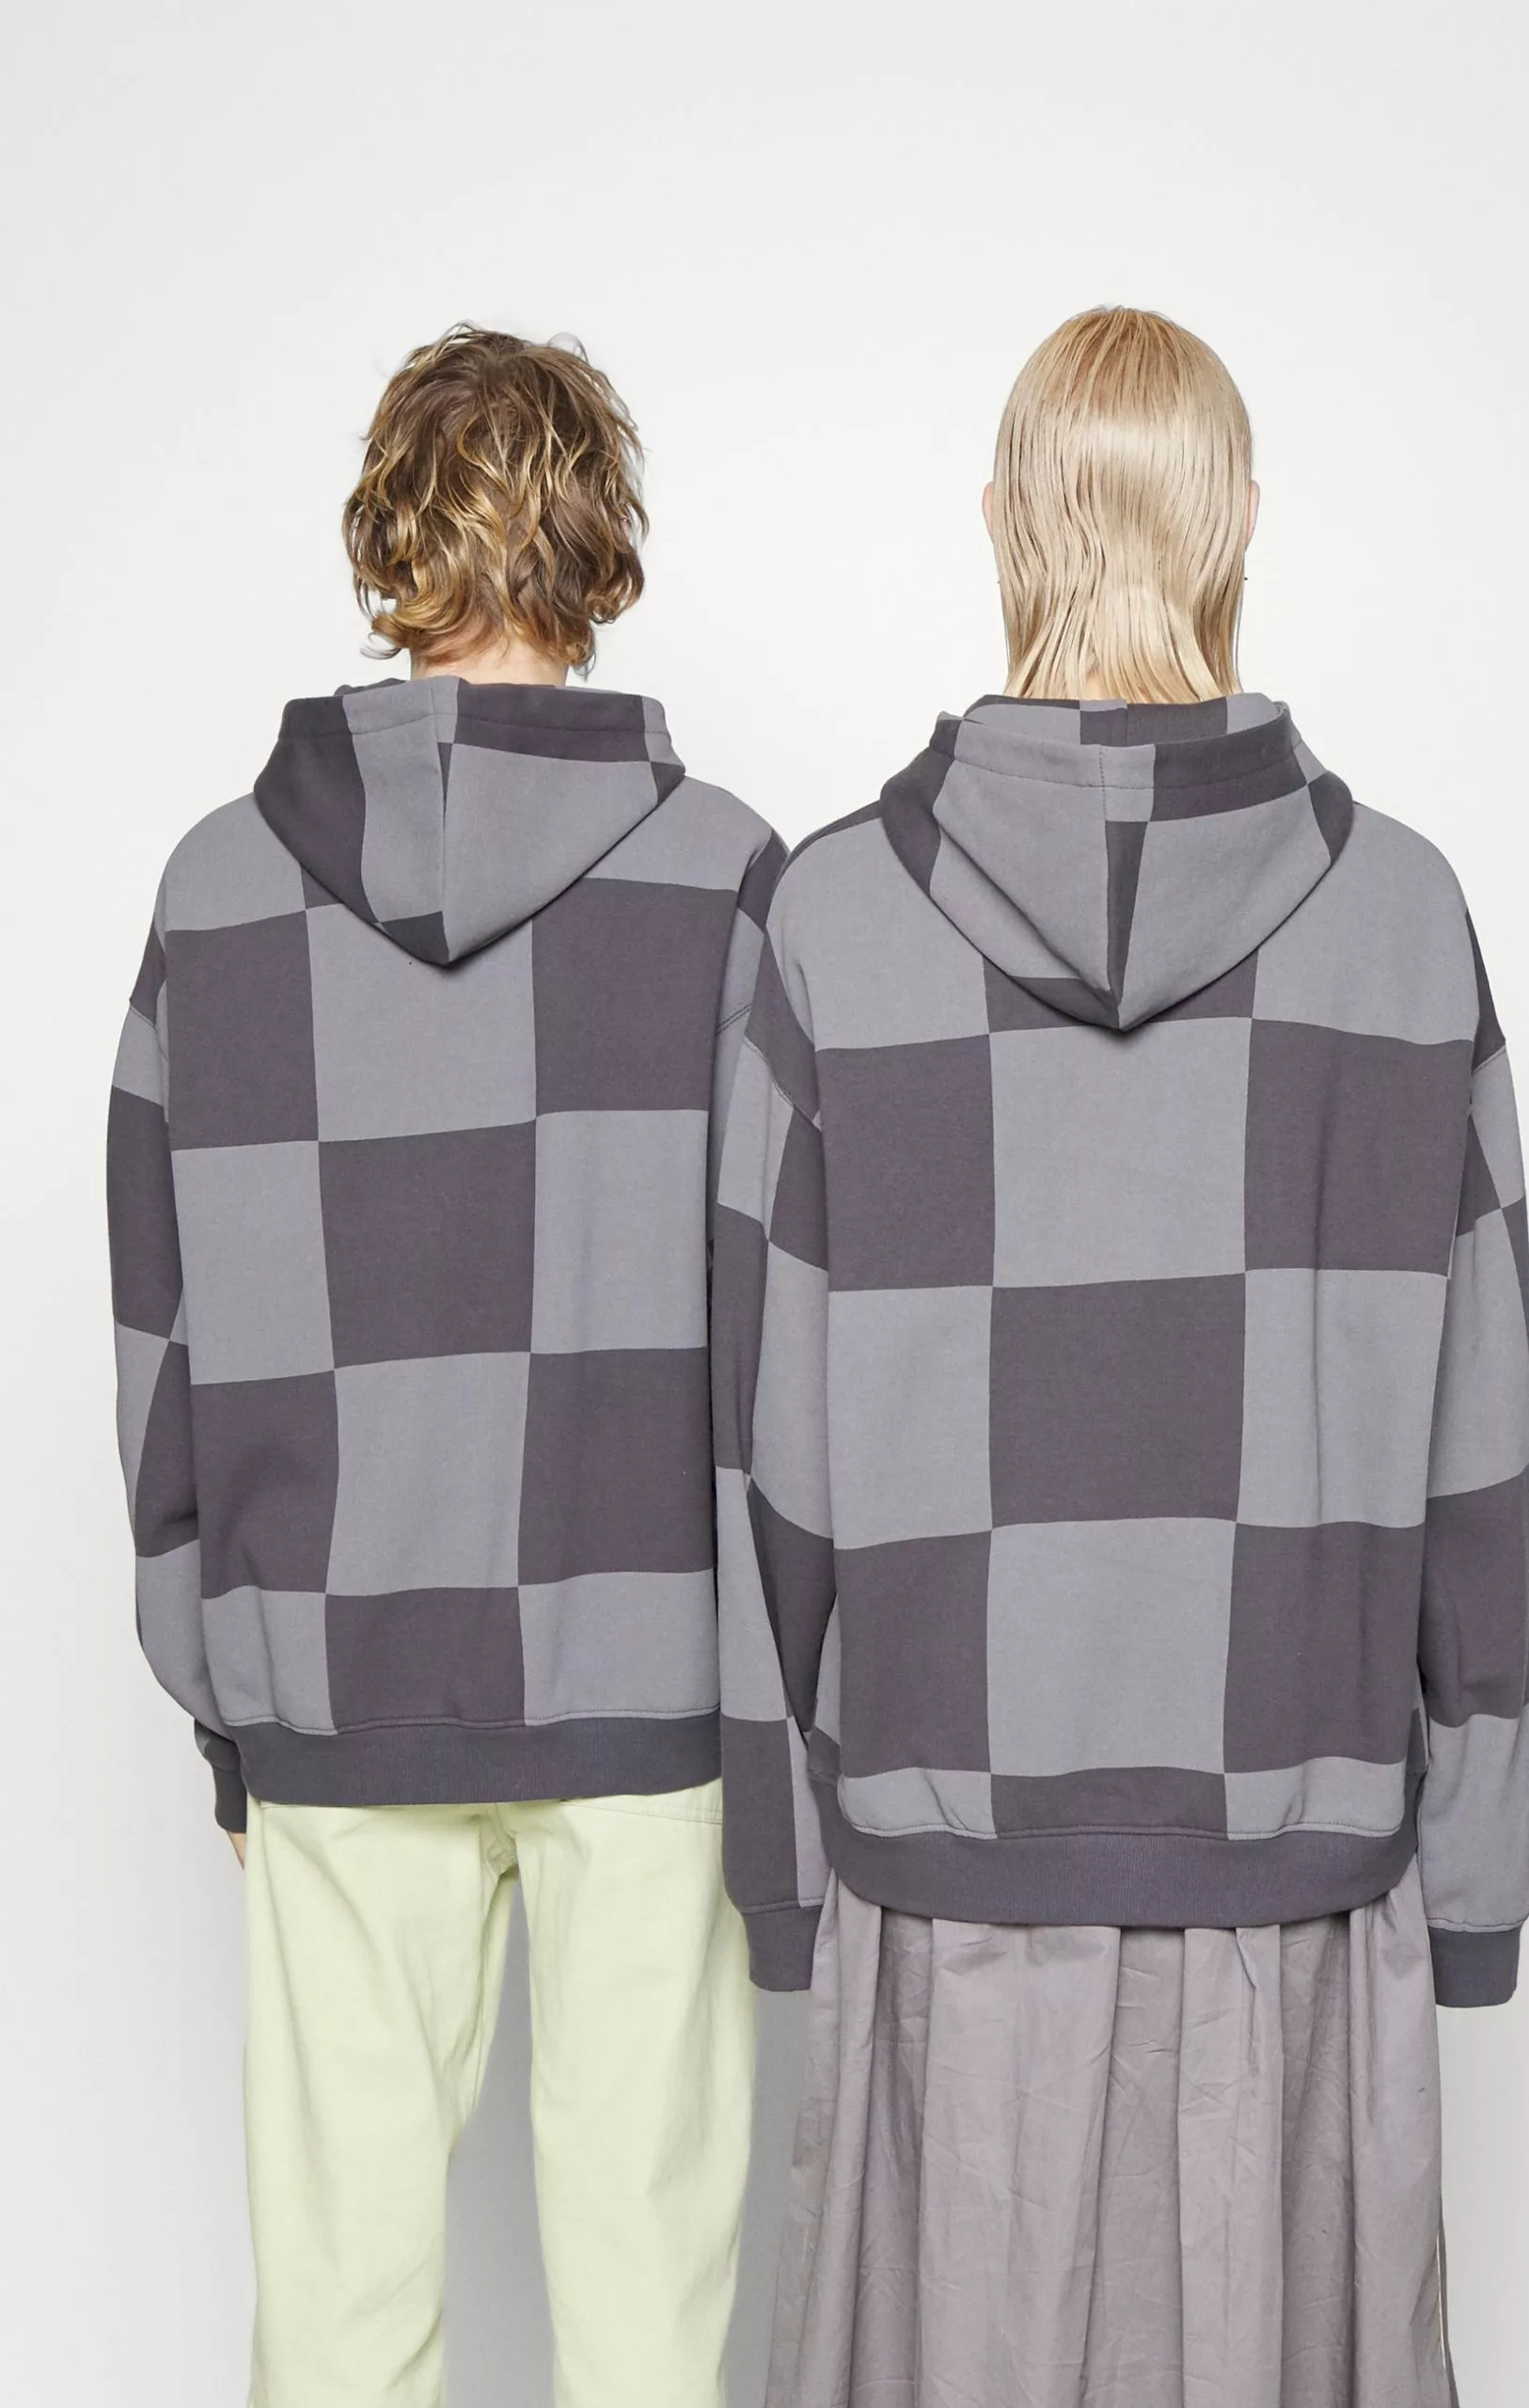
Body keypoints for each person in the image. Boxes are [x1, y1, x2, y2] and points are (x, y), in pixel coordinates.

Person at [714, 306, 1529, 2407]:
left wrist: (774, 1865)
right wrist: (1479, 1868)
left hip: (944, 1879)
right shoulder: (1405, 920)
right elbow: (1481, 1454)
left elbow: (767, 1451)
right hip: (1300, 1873)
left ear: (1002, 521)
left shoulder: (831, 925)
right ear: (1239, 520)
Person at [106, 325, 783, 2408]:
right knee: (650, 2323)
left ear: (393, 536)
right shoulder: (727, 882)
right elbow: (787, 1324)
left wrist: (221, 1690)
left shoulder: (219, 893)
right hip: (648, 1673)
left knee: (337, 2321)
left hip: (328, 1664)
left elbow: (160, 1331)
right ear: (600, 539)